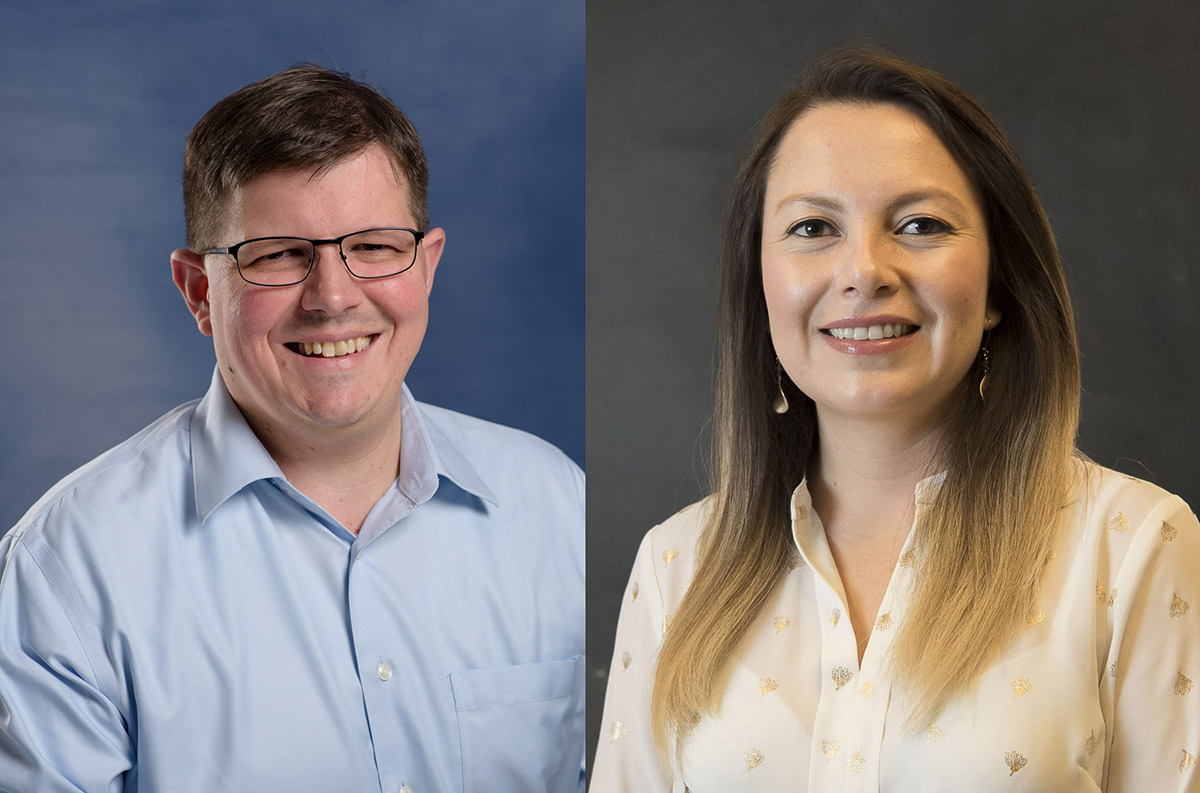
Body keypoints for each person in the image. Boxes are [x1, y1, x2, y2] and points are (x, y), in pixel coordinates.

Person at [591, 46, 1199, 791]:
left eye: (920, 224)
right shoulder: (675, 566)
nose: (865, 271)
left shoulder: (1136, 546)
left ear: (1000, 283)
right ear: (763, 286)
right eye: (814, 228)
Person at [0, 65, 584, 793]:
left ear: (426, 267)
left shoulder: (558, 505)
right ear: (199, 292)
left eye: (373, 245)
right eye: (278, 255)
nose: (334, 298)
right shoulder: (68, 570)